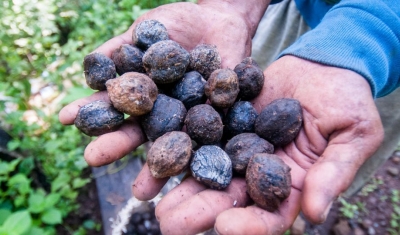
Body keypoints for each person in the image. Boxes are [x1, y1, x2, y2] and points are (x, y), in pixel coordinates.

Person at [59, 0, 400, 234]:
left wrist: (371, 34)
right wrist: (230, 6)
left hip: (381, 48)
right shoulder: (185, 90)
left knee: (316, 161)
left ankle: (297, 218)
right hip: (288, 12)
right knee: (258, 78)